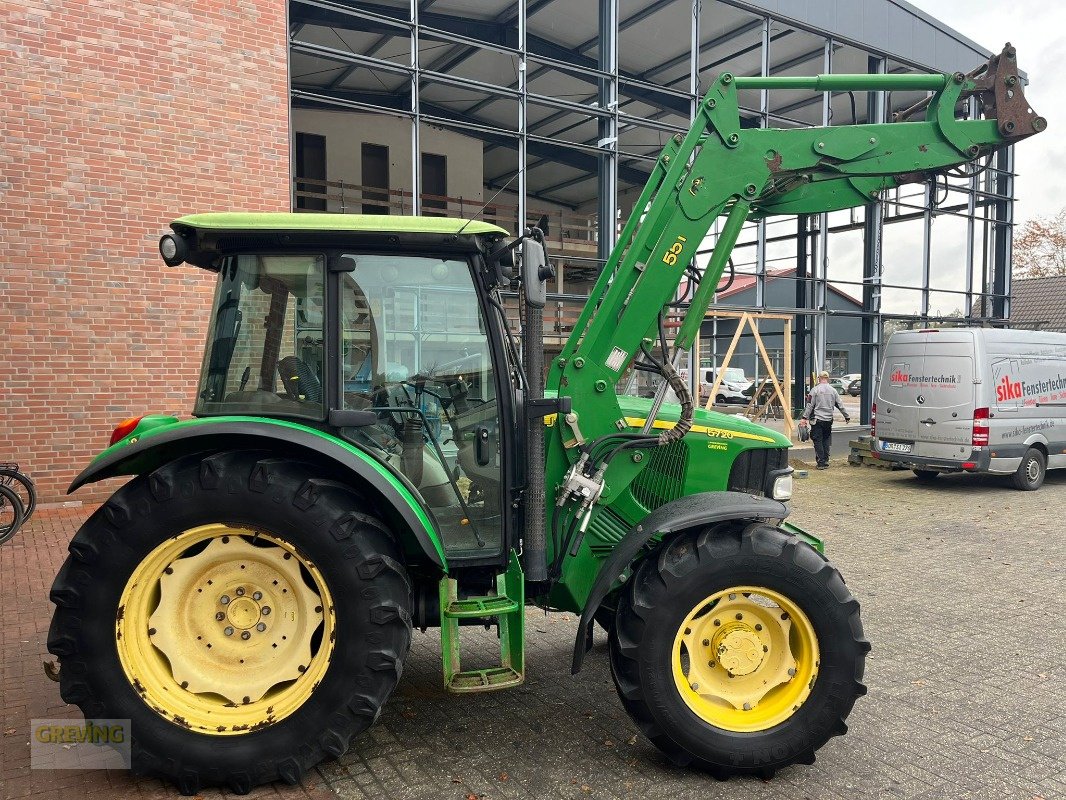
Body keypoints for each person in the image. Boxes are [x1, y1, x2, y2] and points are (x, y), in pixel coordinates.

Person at [801, 371, 850, 469]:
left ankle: (821, 463)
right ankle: (826, 461)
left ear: (819, 378)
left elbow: (810, 405)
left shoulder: (815, 390)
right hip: (828, 420)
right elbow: (840, 404)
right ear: (827, 378)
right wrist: (846, 416)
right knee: (826, 440)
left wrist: (804, 418)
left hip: (817, 420)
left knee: (817, 440)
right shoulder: (833, 391)